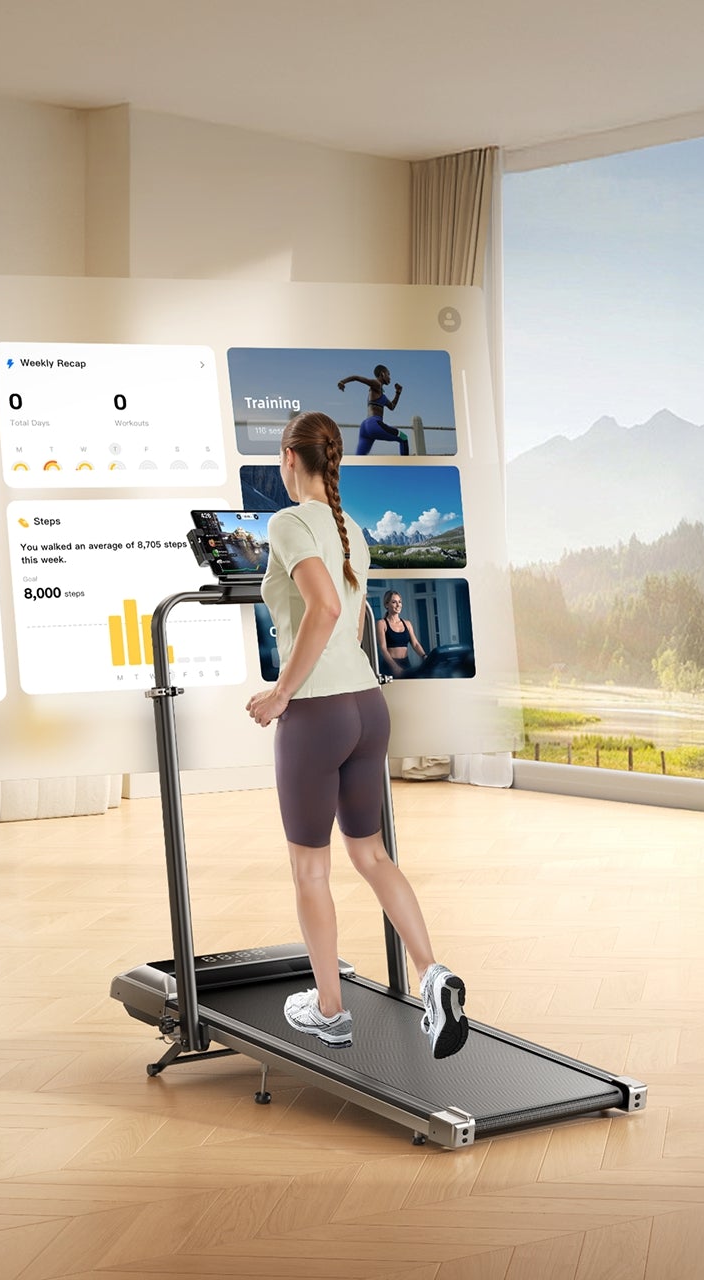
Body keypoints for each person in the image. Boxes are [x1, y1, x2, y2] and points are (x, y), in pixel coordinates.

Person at [243, 411, 469, 1057]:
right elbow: (356, 608)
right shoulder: (350, 525)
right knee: (370, 855)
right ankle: (433, 973)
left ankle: (330, 1010)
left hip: (317, 713)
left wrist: (281, 691)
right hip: (368, 706)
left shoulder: (287, 522)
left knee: (309, 870)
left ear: (290, 456)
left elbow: (328, 607)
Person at [337, 365, 410, 455]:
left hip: (365, 427)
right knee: (403, 438)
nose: (390, 378)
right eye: (388, 374)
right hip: (374, 425)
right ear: (382, 374)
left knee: (359, 459)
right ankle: (406, 467)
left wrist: (398, 393)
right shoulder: (376, 384)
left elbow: (392, 406)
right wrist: (342, 382)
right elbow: (357, 378)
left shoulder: (381, 395)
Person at [370, 589, 428, 679]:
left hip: (406, 663)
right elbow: (383, 649)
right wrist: (395, 667)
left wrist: (424, 656)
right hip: (389, 665)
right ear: (386, 605)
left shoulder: (407, 623)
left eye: (399, 602)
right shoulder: (381, 624)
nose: (398, 605)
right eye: (394, 602)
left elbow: (415, 644)